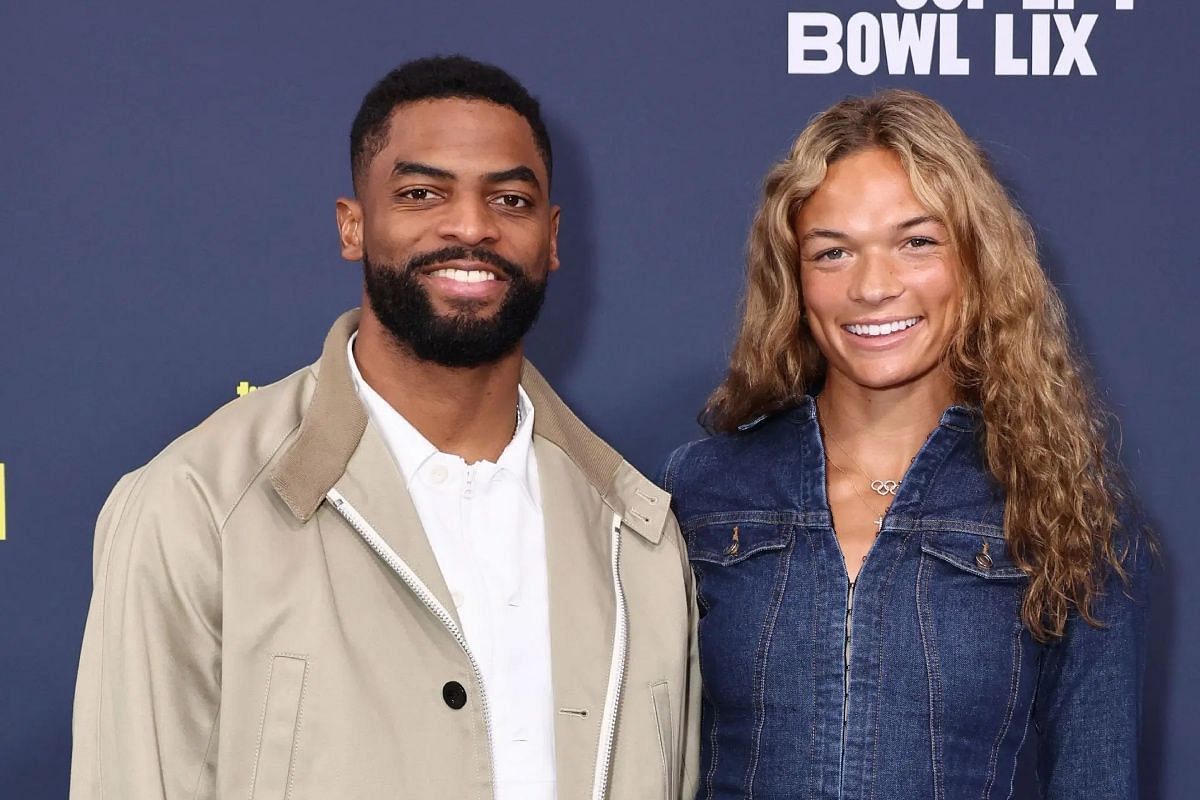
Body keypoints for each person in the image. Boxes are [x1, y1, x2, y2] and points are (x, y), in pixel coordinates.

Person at [71, 55, 698, 799]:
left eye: (511, 200)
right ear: (353, 225)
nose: (471, 226)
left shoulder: (639, 538)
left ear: (552, 238)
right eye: (421, 193)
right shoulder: (197, 505)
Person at [659, 90, 1148, 799]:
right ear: (795, 281)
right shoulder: (699, 489)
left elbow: (1097, 780)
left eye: (916, 242)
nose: (873, 287)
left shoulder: (1064, 508)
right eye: (832, 252)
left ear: (974, 265)